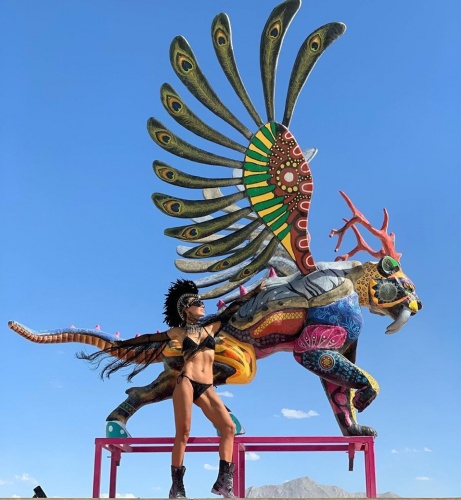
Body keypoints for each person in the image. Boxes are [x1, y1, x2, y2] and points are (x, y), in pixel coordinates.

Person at [81, 278, 260, 498]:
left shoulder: (212, 328)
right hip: (186, 383)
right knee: (183, 434)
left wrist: (255, 291)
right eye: (197, 303)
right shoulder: (178, 333)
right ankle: (177, 487)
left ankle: (223, 483)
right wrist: (121, 344)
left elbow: (233, 308)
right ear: (186, 308)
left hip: (206, 386)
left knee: (228, 428)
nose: (202, 305)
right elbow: (148, 338)